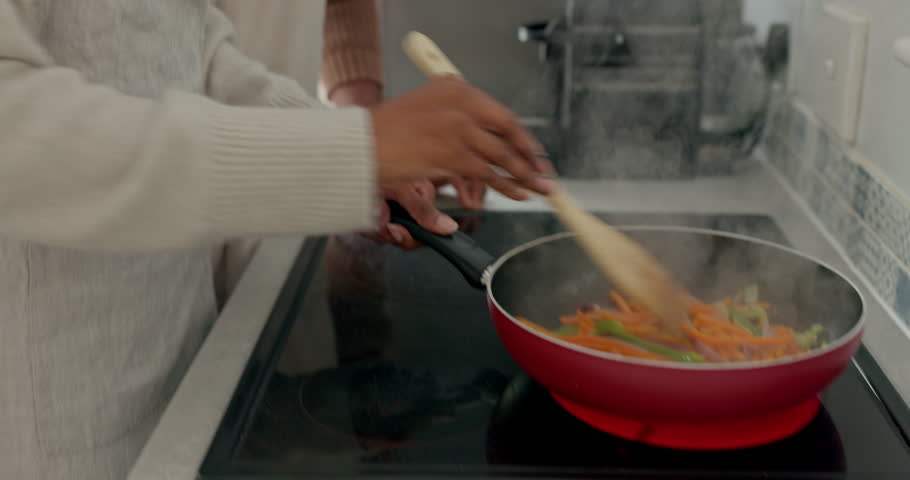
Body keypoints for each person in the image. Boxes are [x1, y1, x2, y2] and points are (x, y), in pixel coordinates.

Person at [0, 1, 554, 479]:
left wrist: (337, 146)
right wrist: (349, 148)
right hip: (57, 412)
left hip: (184, 366)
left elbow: (193, 45)